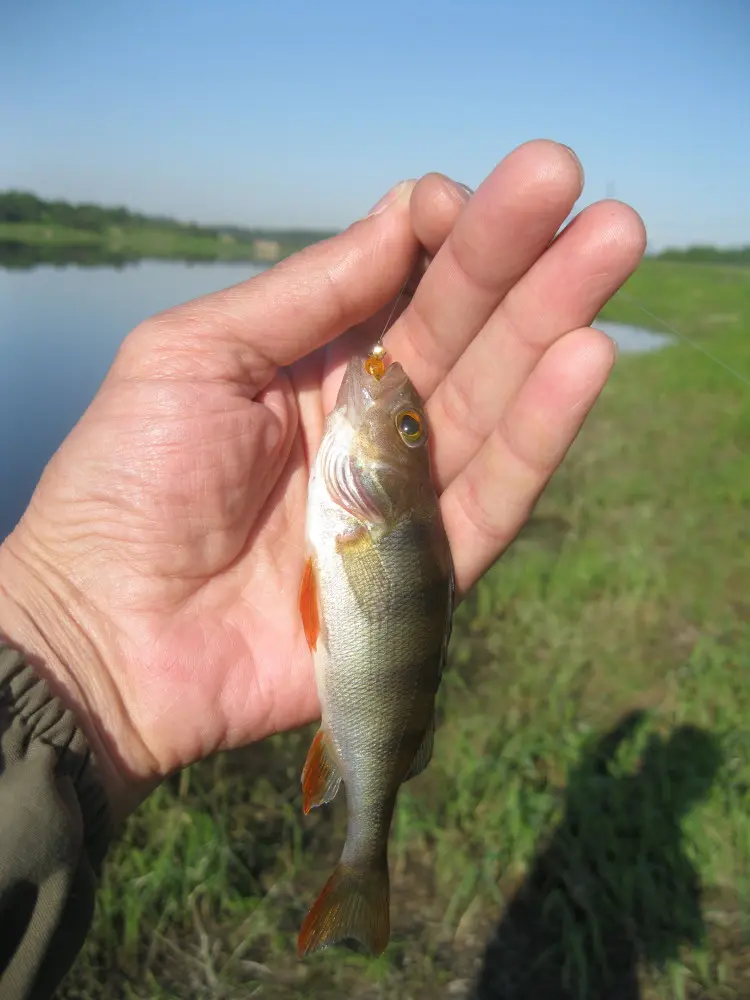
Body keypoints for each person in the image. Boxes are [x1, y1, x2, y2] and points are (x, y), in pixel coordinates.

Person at [0, 140, 645, 999]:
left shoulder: (374, 518)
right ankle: (360, 860)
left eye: (406, 431)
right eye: (410, 427)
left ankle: (359, 861)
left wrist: (72, 664)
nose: (395, 404)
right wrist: (66, 639)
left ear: (396, 477)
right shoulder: (368, 517)